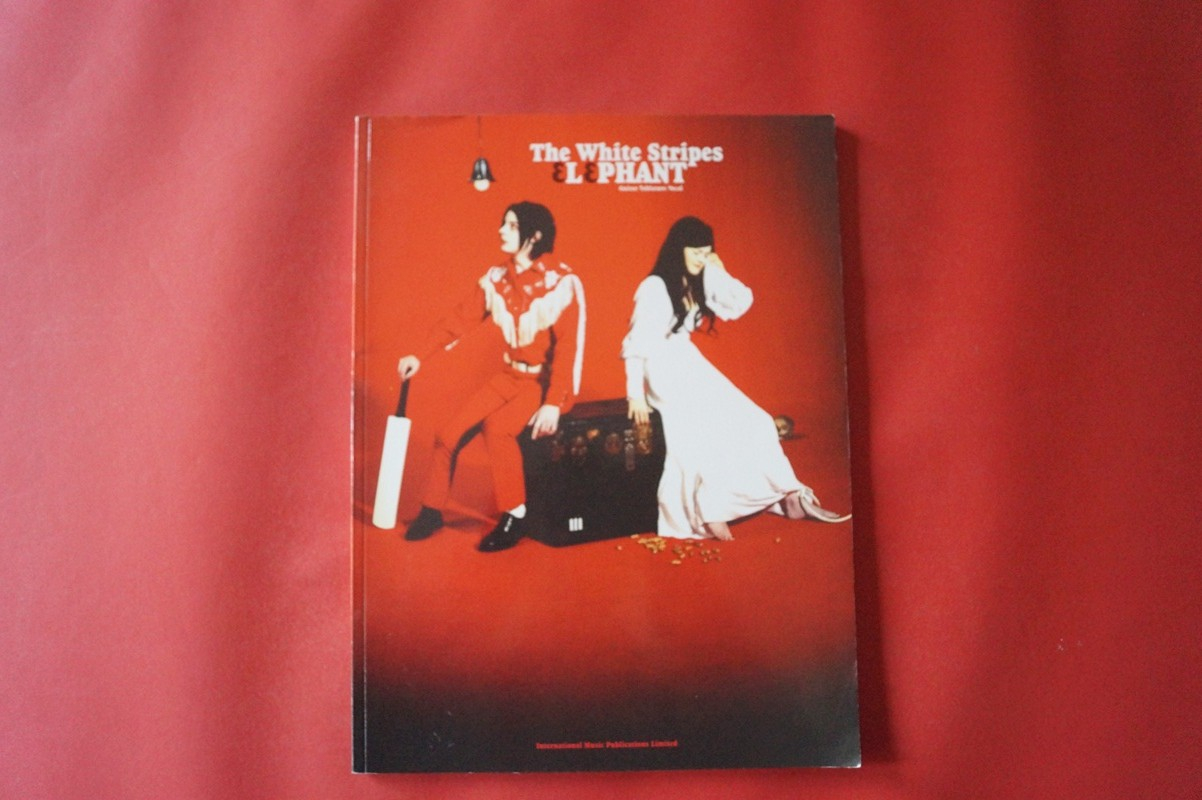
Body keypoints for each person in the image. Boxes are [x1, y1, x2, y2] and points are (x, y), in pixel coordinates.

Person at [621, 216, 848, 541]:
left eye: (706, 252)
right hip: (661, 369)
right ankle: (710, 510)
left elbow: (740, 302)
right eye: (695, 252)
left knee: (756, 421)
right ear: (678, 249)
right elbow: (637, 341)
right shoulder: (655, 286)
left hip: (687, 362)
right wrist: (635, 394)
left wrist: (717, 269)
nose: (701, 259)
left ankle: (788, 494)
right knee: (702, 432)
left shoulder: (698, 277)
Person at [398, 201, 585, 552]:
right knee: (448, 434)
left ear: (535, 235)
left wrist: (553, 404)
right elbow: (460, 318)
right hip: (508, 375)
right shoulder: (497, 278)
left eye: (511, 226)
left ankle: (515, 515)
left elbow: (568, 350)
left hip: (540, 384)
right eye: (504, 224)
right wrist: (419, 355)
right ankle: (432, 510)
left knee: (497, 430)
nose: (501, 231)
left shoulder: (561, 283)